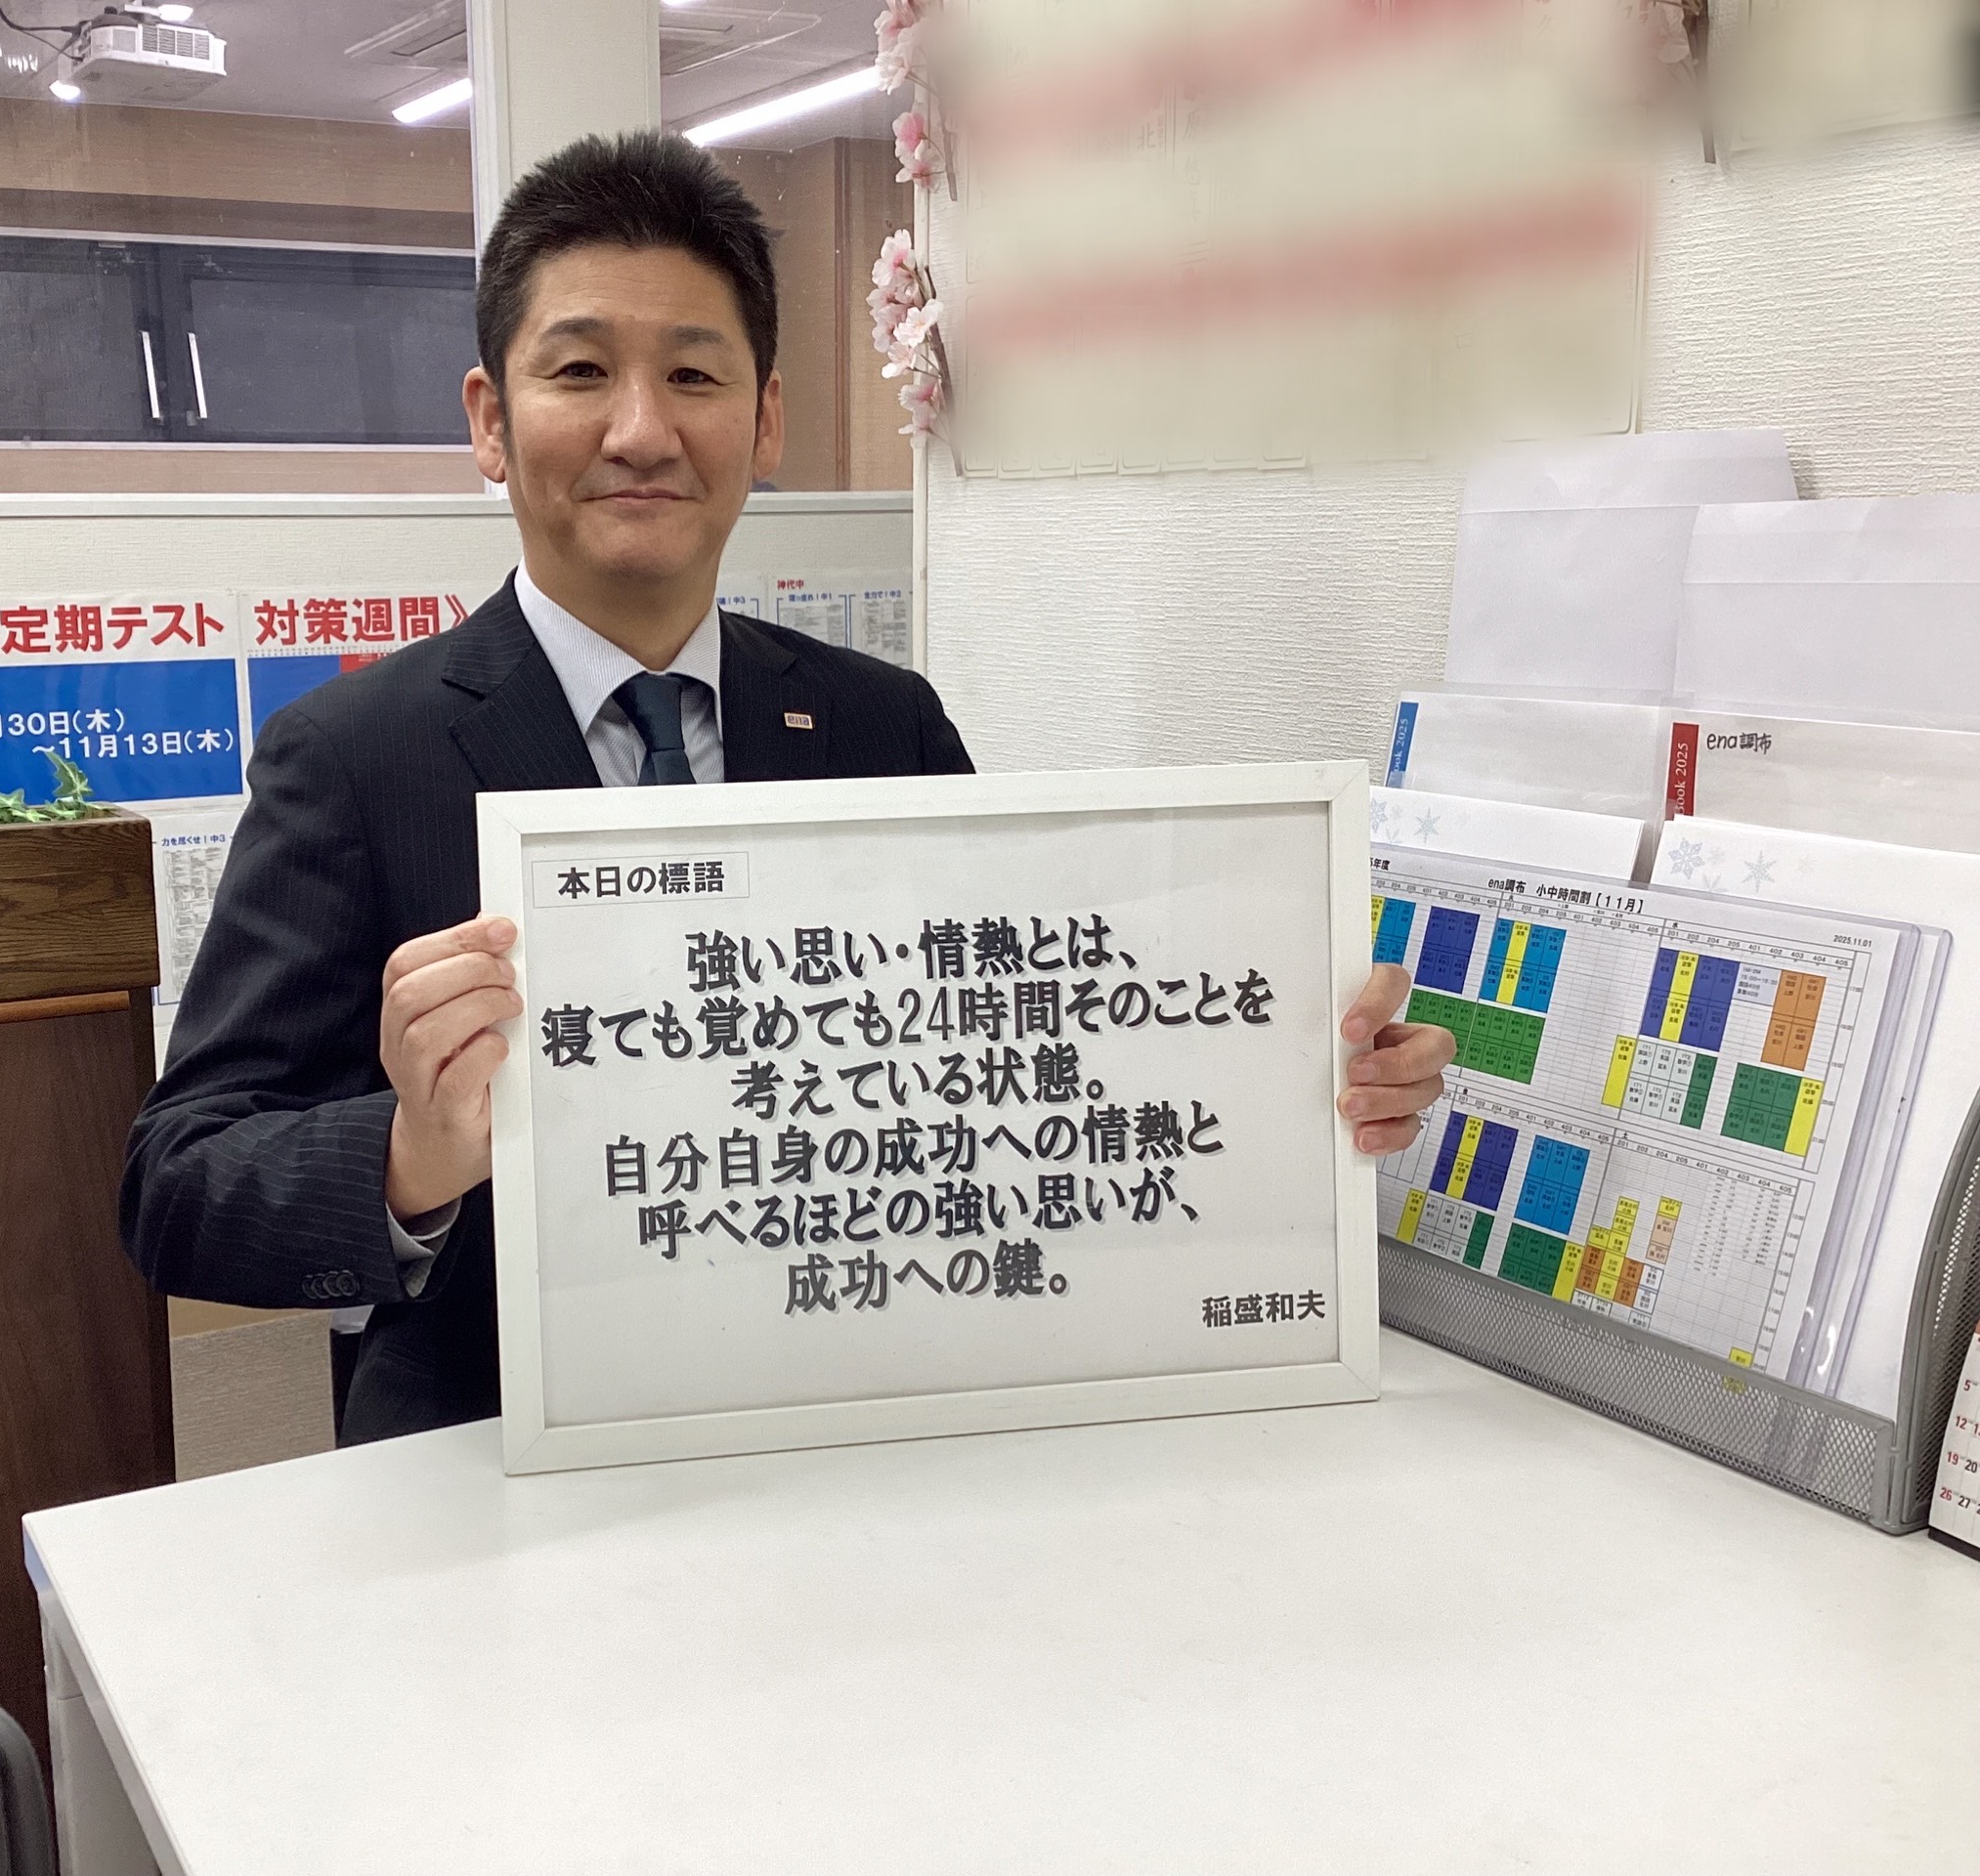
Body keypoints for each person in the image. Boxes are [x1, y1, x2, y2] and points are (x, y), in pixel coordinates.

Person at [122, 130, 1454, 1445]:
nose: (641, 430)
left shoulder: (884, 722)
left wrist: (1291, 1079)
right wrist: (413, 1154)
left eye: (693, 374)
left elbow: (1013, 1046)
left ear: (763, 421)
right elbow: (176, 1185)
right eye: (580, 371)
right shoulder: (353, 755)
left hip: (858, 1422)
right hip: (501, 1456)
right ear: (489, 419)